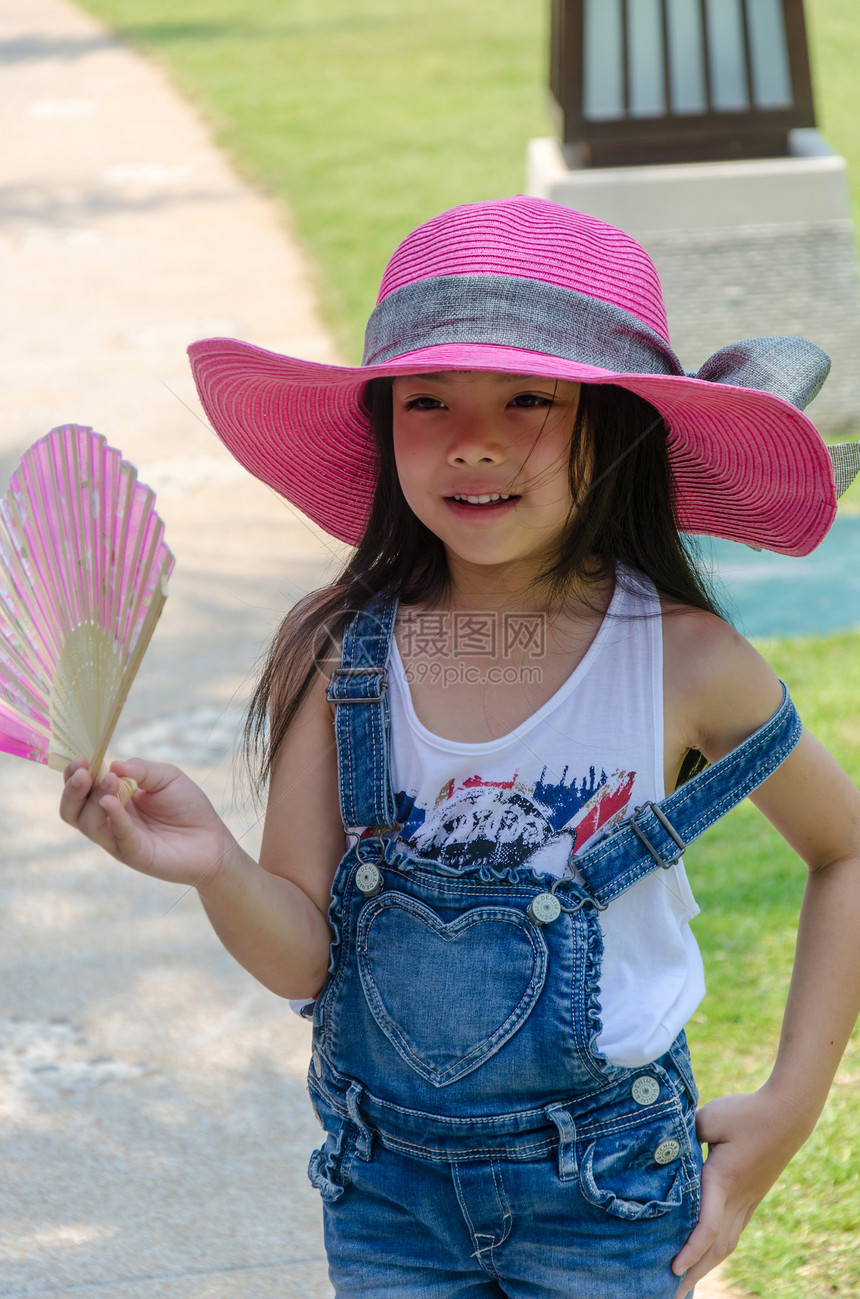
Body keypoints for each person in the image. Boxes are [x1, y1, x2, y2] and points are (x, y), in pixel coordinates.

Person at [61, 197, 860, 1298]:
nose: (470, 439)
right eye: (424, 399)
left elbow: (843, 851)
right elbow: (306, 956)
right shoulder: (341, 651)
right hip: (386, 1200)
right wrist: (215, 867)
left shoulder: (684, 662)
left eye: (527, 398)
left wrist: (787, 1107)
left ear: (612, 425)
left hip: (608, 1194)